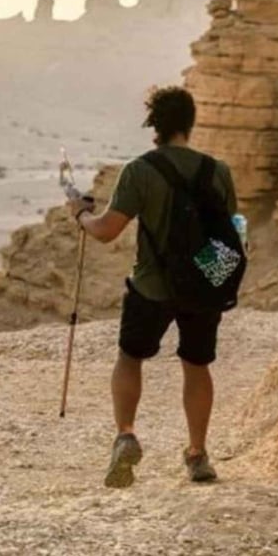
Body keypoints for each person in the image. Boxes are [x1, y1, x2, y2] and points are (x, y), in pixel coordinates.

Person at [67, 85, 238, 487]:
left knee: (130, 358)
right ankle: (197, 454)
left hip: (151, 285)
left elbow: (107, 231)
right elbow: (231, 231)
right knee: (197, 365)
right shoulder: (219, 171)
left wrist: (80, 216)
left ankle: (126, 434)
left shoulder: (141, 170)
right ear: (190, 124)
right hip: (203, 285)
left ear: (153, 125)